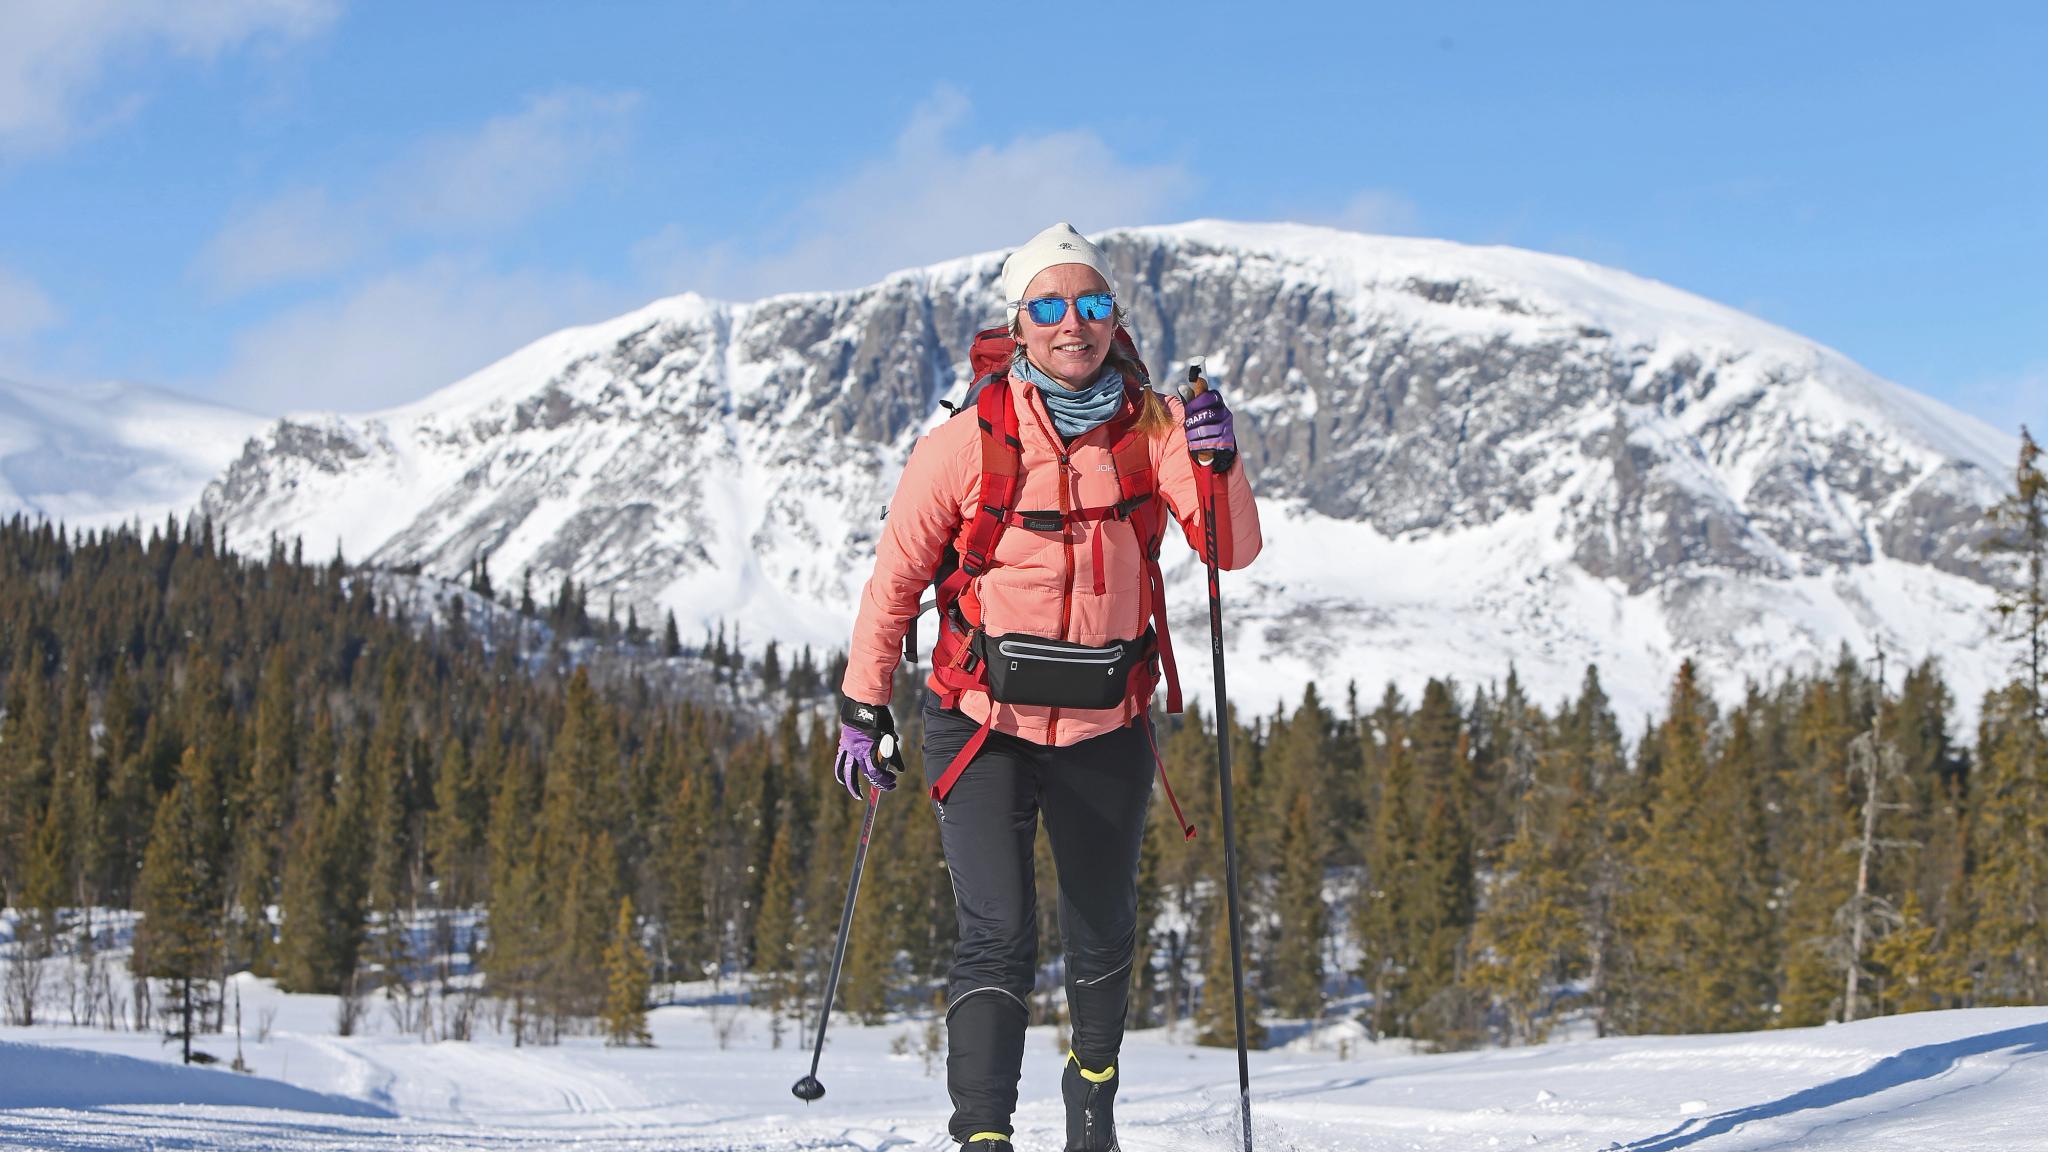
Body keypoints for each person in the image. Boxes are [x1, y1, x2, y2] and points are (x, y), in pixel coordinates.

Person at [834, 222, 1262, 1150]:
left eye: (1094, 303)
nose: (1075, 323)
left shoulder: (1156, 429)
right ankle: (983, 1135)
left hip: (1107, 725)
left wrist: (1220, 465)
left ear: (1116, 317)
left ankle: (1091, 1096)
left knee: (1103, 928)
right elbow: (896, 579)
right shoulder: (963, 444)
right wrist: (865, 704)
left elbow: (1229, 549)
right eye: (1052, 306)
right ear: (1018, 322)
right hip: (980, 723)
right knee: (996, 932)